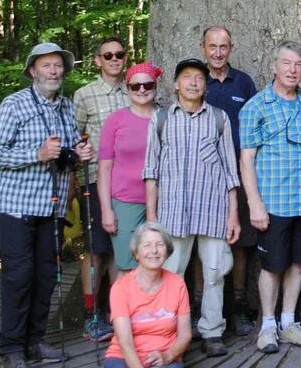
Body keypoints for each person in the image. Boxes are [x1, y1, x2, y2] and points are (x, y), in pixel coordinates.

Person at [0, 42, 95, 368]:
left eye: (58, 65)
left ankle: (35, 342)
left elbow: (64, 155)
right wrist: (37, 154)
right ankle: (11, 348)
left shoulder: (65, 107)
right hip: (17, 206)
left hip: (53, 209)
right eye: (46, 65)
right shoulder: (14, 105)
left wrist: (78, 157)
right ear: (33, 70)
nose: (53, 71)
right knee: (19, 277)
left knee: (47, 277)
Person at [143, 58, 240, 357]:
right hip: (172, 213)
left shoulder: (219, 119)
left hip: (212, 211)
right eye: (187, 77)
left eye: (199, 77)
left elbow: (230, 171)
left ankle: (212, 332)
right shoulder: (160, 119)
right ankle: (167, 332)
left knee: (214, 273)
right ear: (176, 83)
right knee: (170, 274)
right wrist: (151, 218)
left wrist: (233, 214)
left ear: (205, 84)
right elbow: (151, 171)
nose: (194, 82)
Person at [240, 41, 301, 353]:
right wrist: (254, 203)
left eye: (299, 64)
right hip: (273, 203)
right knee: (272, 266)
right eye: (287, 63)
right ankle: (267, 325)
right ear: (274, 66)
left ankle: (288, 322)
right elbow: (246, 159)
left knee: (299, 265)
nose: (293, 69)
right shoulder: (255, 107)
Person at [201, 26, 260, 335]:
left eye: (224, 46)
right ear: (204, 48)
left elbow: (254, 124)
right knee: (204, 241)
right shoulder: (198, 81)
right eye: (213, 46)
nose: (218, 52)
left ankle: (238, 309)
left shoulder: (244, 82)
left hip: (240, 174)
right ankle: (203, 310)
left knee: (240, 244)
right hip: (204, 176)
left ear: (231, 48)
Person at [73, 36, 129, 341]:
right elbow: (73, 136)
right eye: (108, 55)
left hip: (129, 184)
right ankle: (90, 314)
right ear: (97, 60)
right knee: (96, 249)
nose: (114, 59)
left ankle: (115, 311)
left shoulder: (134, 90)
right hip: (95, 181)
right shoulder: (84, 95)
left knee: (120, 251)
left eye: (119, 54)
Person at [99, 62, 161, 273]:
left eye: (148, 85)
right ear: (127, 88)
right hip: (125, 202)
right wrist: (107, 209)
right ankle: (122, 307)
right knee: (126, 264)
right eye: (136, 86)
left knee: (159, 262)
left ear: (155, 86)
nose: (142, 90)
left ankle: (156, 307)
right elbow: (104, 169)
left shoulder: (166, 117)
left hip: (164, 202)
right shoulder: (115, 120)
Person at [104, 222, 193, 368]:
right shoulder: (120, 288)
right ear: (136, 253)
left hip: (163, 356)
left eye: (160, 244)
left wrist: (168, 356)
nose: (154, 251)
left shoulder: (178, 284)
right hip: (124, 357)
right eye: (147, 245)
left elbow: (185, 335)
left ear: (167, 250)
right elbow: (125, 342)